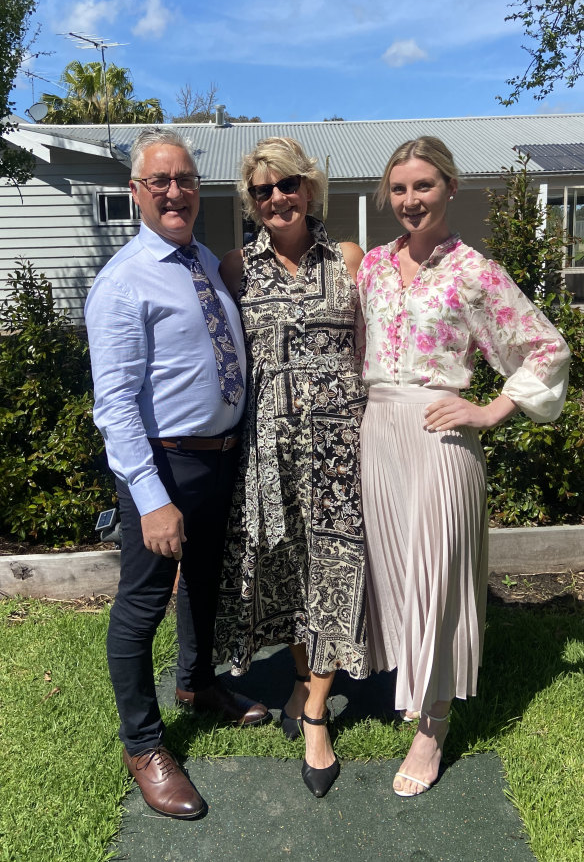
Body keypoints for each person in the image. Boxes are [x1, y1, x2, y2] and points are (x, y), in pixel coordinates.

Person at [357, 136, 570, 798]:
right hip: (376, 433)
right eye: (398, 188)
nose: (409, 200)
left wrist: (491, 410)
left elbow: (546, 348)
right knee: (393, 570)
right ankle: (401, 679)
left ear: (450, 187)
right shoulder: (369, 266)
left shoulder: (475, 271)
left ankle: (433, 725)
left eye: (423, 186)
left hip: (439, 437)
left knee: (440, 575)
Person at [84, 127, 267, 820]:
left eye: (184, 178)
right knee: (140, 606)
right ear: (135, 192)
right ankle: (144, 745)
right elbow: (116, 406)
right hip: (163, 464)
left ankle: (197, 684)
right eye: (158, 180)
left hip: (219, 458)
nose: (173, 190)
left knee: (206, 585)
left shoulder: (205, 267)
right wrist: (153, 499)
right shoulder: (125, 281)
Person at [215, 137, 368, 797]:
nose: (277, 198)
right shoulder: (234, 269)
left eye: (287, 185)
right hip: (269, 457)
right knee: (297, 582)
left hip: (342, 454)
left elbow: (382, 351)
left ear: (309, 188)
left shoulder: (352, 260)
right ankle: (304, 688)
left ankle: (312, 716)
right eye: (262, 190)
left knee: (338, 576)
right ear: (250, 202)